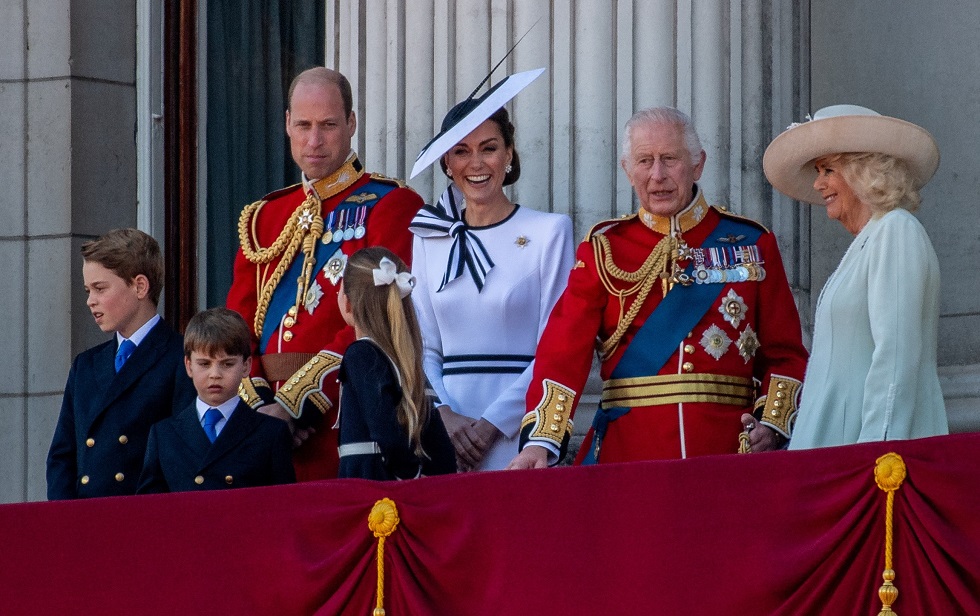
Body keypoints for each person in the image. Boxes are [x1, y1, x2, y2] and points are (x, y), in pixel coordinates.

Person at [507, 107, 809, 469]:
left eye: (670, 159)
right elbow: (563, 351)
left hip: (729, 454)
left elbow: (785, 354)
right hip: (630, 456)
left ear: (697, 164)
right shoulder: (605, 249)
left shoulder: (751, 243)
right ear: (627, 170)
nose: (657, 175)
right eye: (645, 161)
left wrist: (772, 426)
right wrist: (541, 442)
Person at [226, 67, 423, 481]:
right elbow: (236, 326)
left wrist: (294, 405)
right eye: (304, 125)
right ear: (286, 124)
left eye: (328, 125)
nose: (314, 140)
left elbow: (372, 322)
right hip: (261, 425)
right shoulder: (265, 217)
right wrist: (260, 402)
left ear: (351, 124)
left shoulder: (390, 204)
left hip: (343, 418)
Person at [410, 82, 575, 471]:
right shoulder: (427, 238)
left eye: (489, 147)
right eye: (461, 151)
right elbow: (421, 345)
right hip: (444, 436)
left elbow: (556, 345)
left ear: (509, 154)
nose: (477, 163)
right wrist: (444, 416)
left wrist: (491, 425)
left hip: (518, 437)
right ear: (447, 163)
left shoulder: (549, 232)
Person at [763, 105, 949, 448]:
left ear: (864, 172)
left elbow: (895, 359)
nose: (818, 184)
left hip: (866, 459)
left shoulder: (896, 231)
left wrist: (875, 455)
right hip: (835, 451)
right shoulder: (870, 239)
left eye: (828, 170)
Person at [47, 229, 196, 499]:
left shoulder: (180, 357)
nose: (90, 301)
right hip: (86, 520)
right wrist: (64, 519)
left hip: (142, 519)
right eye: (88, 290)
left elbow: (180, 457)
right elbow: (62, 456)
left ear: (140, 286)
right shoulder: (86, 365)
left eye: (100, 288)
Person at [137, 308, 295, 493]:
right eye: (204, 364)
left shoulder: (270, 433)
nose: (215, 375)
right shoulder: (163, 435)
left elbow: (283, 507)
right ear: (188, 366)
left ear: (246, 366)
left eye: (227, 364)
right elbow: (151, 509)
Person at [335, 248, 456, 480]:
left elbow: (386, 433)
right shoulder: (407, 358)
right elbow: (443, 455)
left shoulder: (362, 354)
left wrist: (409, 477)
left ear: (348, 303)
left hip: (375, 496)